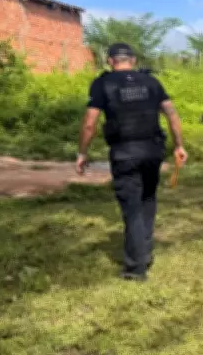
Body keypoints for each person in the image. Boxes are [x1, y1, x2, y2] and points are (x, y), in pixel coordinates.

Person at [75, 43, 187, 282]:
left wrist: (82, 153)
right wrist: (179, 145)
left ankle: (136, 267)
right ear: (133, 61)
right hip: (152, 151)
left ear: (110, 61)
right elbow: (171, 113)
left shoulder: (102, 84)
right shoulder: (152, 83)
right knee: (148, 199)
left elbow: (89, 122)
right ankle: (144, 254)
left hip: (124, 153)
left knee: (132, 207)